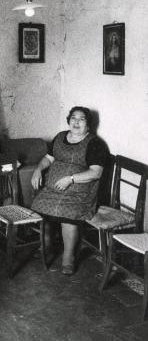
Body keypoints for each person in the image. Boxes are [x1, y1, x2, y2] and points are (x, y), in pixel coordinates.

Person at [31, 106, 108, 275]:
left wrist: (70, 179)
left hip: (78, 192)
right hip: (53, 189)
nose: (76, 122)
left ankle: (68, 257)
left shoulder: (95, 144)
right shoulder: (60, 137)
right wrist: (38, 169)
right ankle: (47, 246)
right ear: (68, 120)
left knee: (69, 214)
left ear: (88, 124)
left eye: (82, 119)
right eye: (74, 118)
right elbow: (48, 158)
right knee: (39, 207)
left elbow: (96, 172)